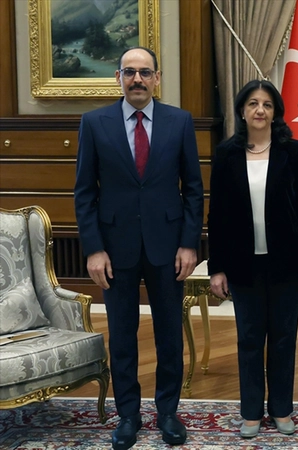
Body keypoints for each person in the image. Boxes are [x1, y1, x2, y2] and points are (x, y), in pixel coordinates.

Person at [74, 46, 203, 450]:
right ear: (118, 78)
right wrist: (94, 249)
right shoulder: (94, 123)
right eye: (129, 72)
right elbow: (84, 192)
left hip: (168, 247)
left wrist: (189, 244)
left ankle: (168, 412)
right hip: (115, 249)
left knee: (169, 334)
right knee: (122, 336)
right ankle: (128, 415)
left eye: (145, 72)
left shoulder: (180, 121)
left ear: (157, 78)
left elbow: (193, 190)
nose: (137, 79)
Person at [206, 79, 298, 438]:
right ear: (242, 110)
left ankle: (282, 409)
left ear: (276, 113)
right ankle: (252, 413)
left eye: (267, 105)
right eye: (253, 103)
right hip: (242, 265)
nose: (260, 110)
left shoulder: (292, 151)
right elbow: (217, 216)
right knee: (250, 338)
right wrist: (216, 268)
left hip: (288, 263)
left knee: (284, 337)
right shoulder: (226, 153)